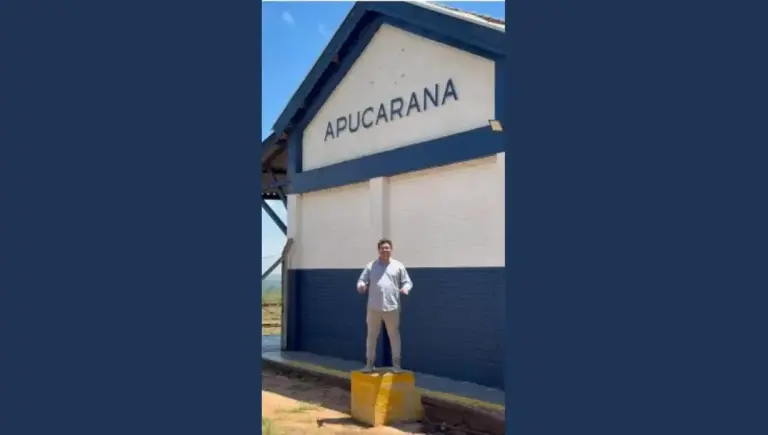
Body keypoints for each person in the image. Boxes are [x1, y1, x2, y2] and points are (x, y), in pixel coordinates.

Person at [356, 238, 413, 373]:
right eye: (383, 248)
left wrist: (406, 288)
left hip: (392, 307)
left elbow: (407, 282)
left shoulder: (398, 266)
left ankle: (397, 365)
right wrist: (361, 286)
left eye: (387, 248)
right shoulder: (371, 266)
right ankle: (369, 364)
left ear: (391, 249)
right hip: (374, 308)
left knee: (394, 336)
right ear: (379, 250)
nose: (385, 250)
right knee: (371, 336)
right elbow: (361, 280)